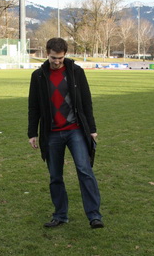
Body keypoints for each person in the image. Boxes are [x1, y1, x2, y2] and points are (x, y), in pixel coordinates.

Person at [27, 37, 104, 229]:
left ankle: (94, 216)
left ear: (65, 55)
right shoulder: (38, 76)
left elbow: (86, 101)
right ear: (47, 54)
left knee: (85, 171)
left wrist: (92, 129)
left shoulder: (76, 72)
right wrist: (32, 133)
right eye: (53, 58)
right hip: (51, 133)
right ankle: (60, 215)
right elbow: (33, 106)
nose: (57, 62)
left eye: (60, 58)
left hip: (75, 130)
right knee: (55, 176)